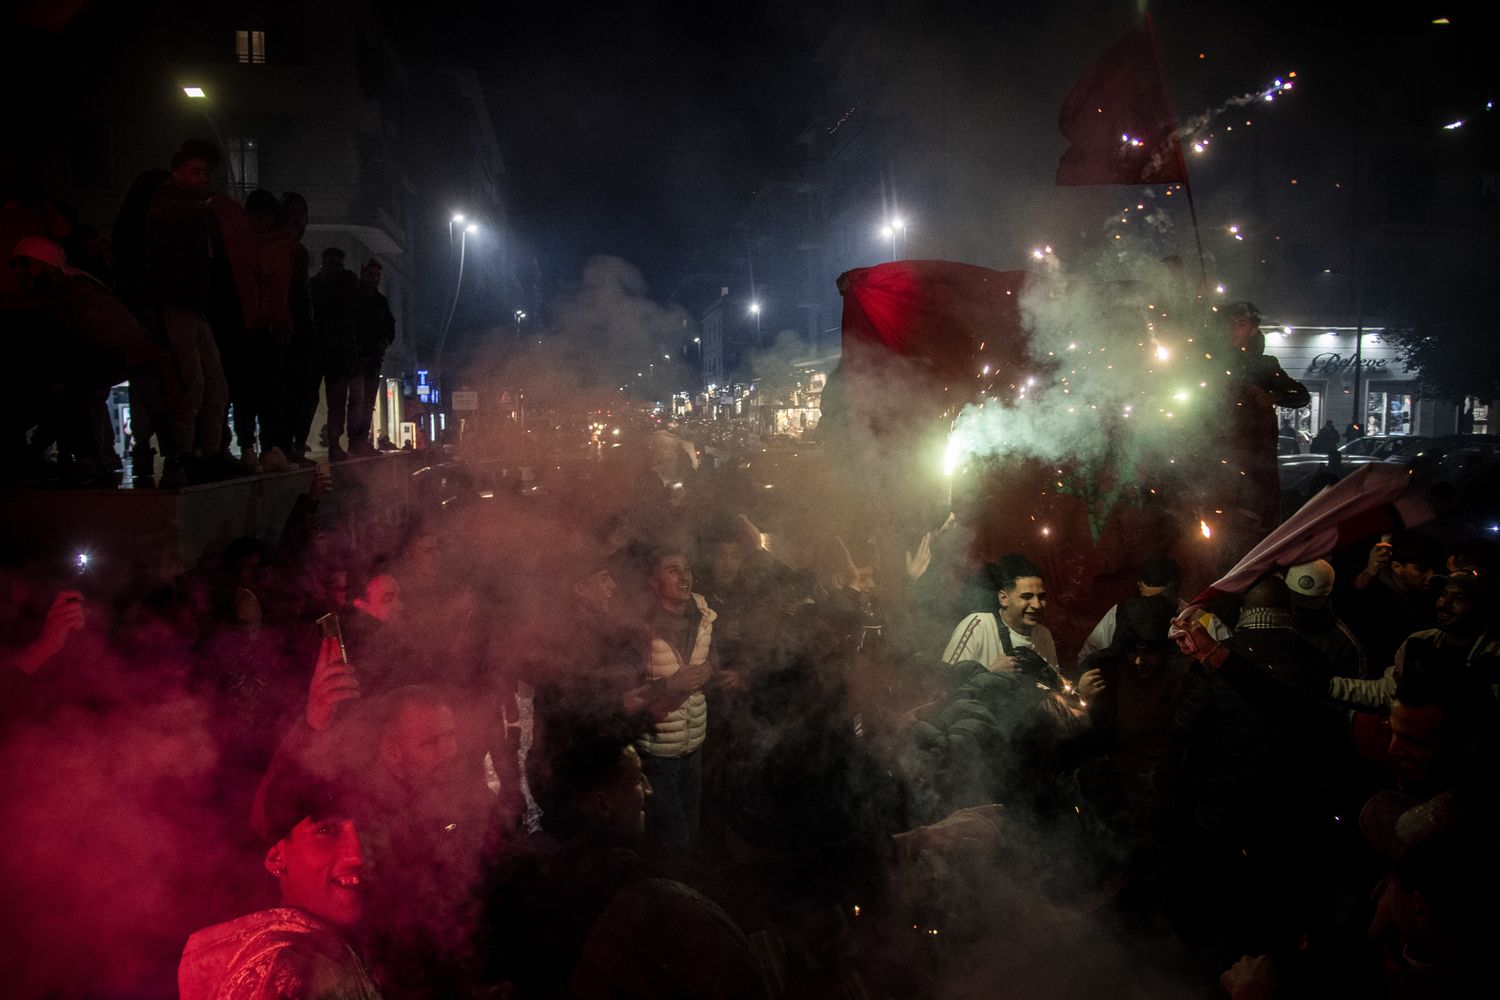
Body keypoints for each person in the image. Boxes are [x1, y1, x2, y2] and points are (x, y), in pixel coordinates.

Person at [178, 761, 380, 999]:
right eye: (327, 830)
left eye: (368, 829)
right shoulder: (286, 969)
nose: (357, 855)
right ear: (276, 858)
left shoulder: (320, 953)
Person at [148, 139, 230, 486]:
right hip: (176, 306)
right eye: (196, 171)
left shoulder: (196, 212)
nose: (203, 178)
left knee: (216, 388)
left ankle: (208, 454)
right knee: (191, 384)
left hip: (196, 310)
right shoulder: (168, 206)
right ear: (177, 173)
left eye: (206, 173)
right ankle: (178, 456)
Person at [635, 547, 716, 851]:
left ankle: (683, 890)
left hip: (693, 748)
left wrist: (711, 669)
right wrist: (669, 686)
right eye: (673, 570)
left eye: (688, 570)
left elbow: (713, 659)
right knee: (672, 841)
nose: (685, 577)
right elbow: (622, 695)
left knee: (691, 833)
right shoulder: (639, 628)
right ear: (654, 582)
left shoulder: (704, 616)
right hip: (657, 756)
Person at [1330, 568, 1498, 710]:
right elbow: (1389, 691)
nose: (1445, 604)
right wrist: (1330, 685)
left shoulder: (1493, 656)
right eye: (1444, 594)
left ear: (1482, 606)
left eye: (1459, 598)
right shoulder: (1419, 641)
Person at [941, 554, 1059, 678]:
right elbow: (945, 684)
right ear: (1003, 598)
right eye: (1026, 597)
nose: (1037, 605)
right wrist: (990, 673)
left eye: (1041, 597)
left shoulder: (1043, 635)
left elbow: (1054, 691)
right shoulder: (978, 625)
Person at [312, 247, 360, 461]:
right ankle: (298, 441)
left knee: (337, 403)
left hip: (339, 354)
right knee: (309, 398)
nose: (335, 268)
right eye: (331, 263)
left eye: (338, 264)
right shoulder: (315, 285)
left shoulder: (347, 283)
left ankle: (334, 444)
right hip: (318, 350)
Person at [282, 193, 319, 463]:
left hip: (302, 334)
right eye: (292, 214)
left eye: (301, 215)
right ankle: (283, 445)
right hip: (282, 331)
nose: (298, 220)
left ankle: (294, 443)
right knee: (289, 394)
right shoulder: (279, 248)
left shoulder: (299, 250)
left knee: (307, 395)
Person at [1284, 558, 1367, 679]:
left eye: (1306, 608)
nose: (1297, 611)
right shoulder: (1272, 621)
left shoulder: (1342, 644)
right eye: (1295, 604)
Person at [349, 259, 395, 457]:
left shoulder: (381, 301)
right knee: (356, 402)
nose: (374, 279)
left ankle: (361, 441)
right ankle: (354, 442)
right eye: (371, 274)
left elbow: (390, 327)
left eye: (377, 275)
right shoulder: (353, 298)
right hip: (355, 358)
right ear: (363, 274)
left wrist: (384, 343)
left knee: (368, 403)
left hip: (374, 359)